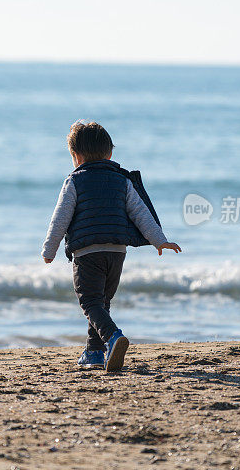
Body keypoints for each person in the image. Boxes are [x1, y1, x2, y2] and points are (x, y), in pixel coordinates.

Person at [41, 121, 182, 372]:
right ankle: (94, 353)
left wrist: (49, 250)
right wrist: (159, 240)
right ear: (110, 154)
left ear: (76, 156)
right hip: (117, 252)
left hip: (87, 252)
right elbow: (141, 213)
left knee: (90, 302)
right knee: (102, 301)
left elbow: (60, 218)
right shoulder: (122, 180)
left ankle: (113, 337)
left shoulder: (74, 181)